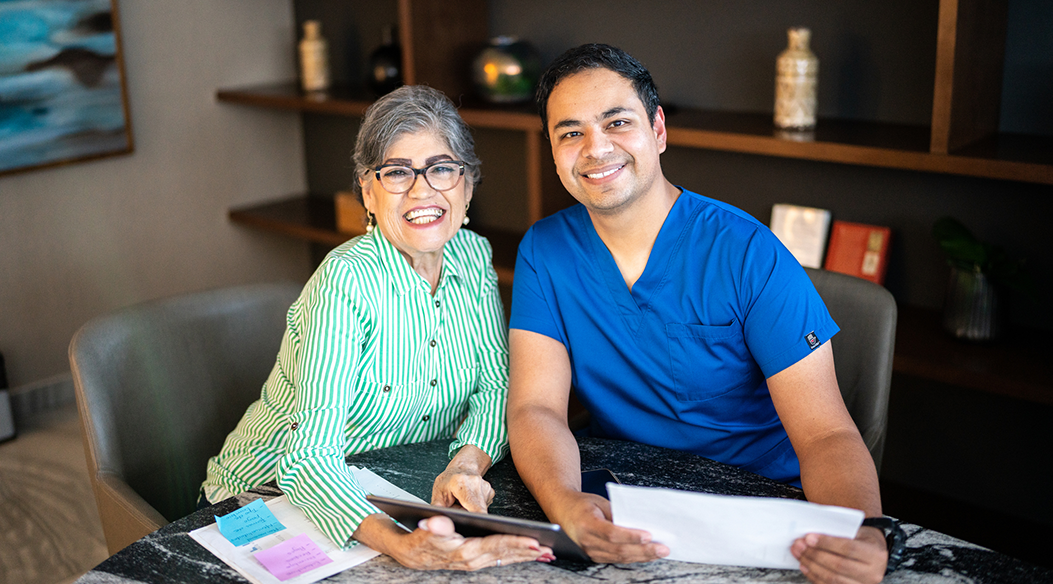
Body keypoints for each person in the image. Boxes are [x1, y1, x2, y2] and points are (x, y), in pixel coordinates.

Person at [506, 44, 889, 583]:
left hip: (757, 504)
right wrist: (566, 502)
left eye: (617, 122)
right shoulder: (544, 251)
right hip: (627, 492)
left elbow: (827, 433)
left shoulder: (749, 253)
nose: (595, 148)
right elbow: (535, 409)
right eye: (570, 133)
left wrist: (862, 532)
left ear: (658, 130)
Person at [203, 85, 552, 571]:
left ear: (468, 185)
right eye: (396, 173)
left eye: (442, 168)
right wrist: (401, 544)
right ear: (368, 191)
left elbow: (496, 385)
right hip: (265, 500)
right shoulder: (345, 281)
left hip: (390, 487)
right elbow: (309, 458)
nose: (422, 189)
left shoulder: (474, 256)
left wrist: (466, 465)